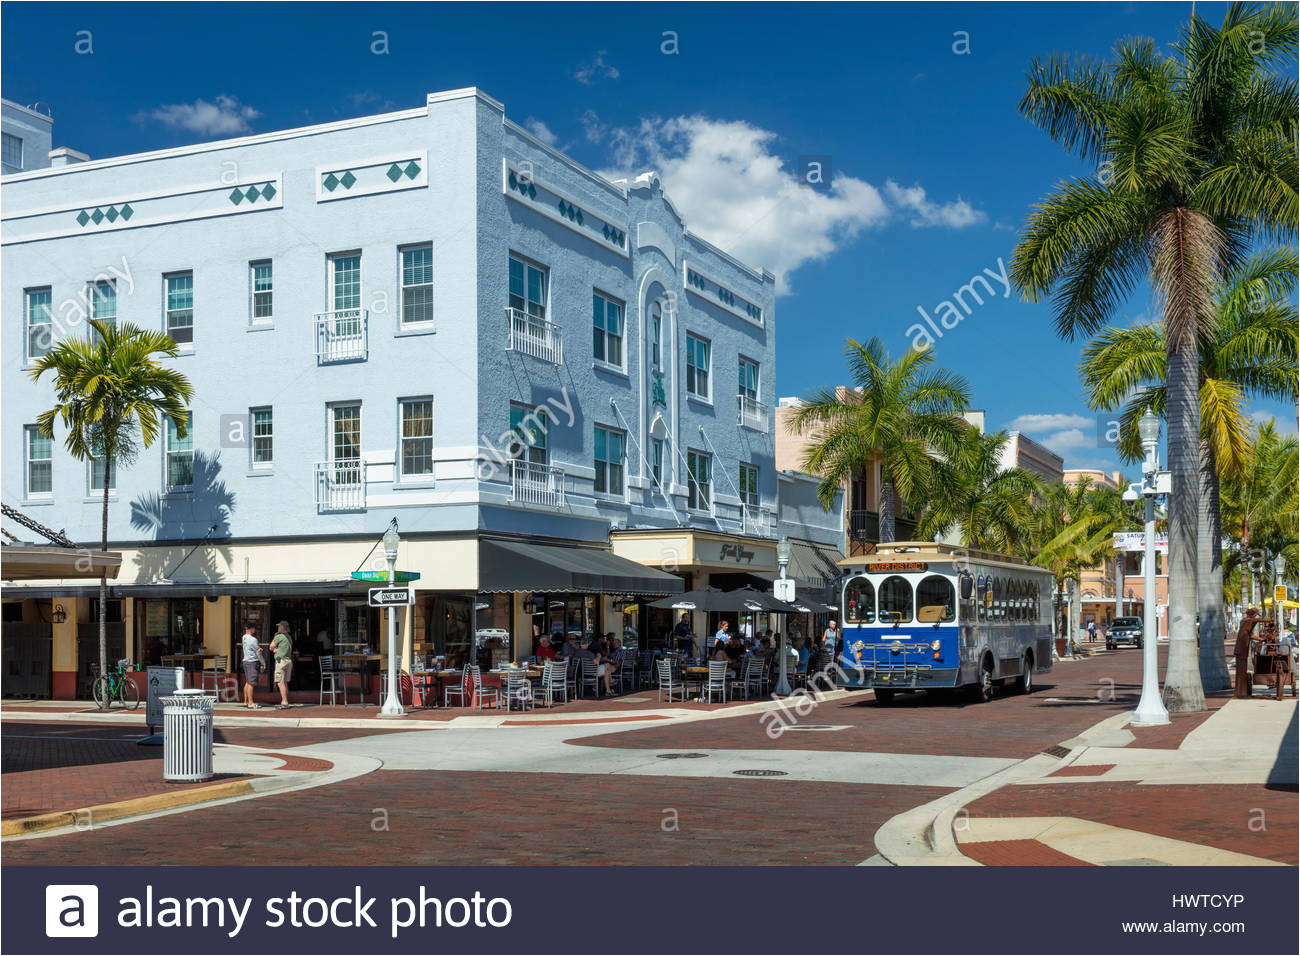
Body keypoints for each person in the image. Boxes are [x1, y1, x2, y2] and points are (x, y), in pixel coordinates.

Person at [1233, 608, 1260, 699]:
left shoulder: (1244, 621)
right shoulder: (1248, 622)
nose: (1256, 616)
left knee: (1241, 672)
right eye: (1256, 614)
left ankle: (1241, 692)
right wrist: (1261, 639)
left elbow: (1250, 634)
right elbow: (1250, 635)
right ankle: (1241, 693)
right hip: (1242, 649)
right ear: (1252, 614)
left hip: (1241, 648)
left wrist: (1261, 639)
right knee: (1241, 672)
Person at [270, 620, 294, 709]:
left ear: (283, 627)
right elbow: (283, 648)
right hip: (288, 661)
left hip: (281, 661)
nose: (278, 628)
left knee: (280, 683)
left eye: (279, 626)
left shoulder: (279, 636)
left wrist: (274, 637)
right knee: (284, 682)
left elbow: (271, 646)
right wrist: (277, 649)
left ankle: (284, 702)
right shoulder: (289, 637)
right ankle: (285, 701)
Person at [240, 623, 262, 710]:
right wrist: (263, 662)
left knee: (248, 682)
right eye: (254, 628)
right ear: (251, 629)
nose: (255, 630)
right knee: (251, 683)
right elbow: (258, 652)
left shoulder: (244, 637)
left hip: (246, 661)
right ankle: (250, 703)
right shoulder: (253, 639)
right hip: (252, 662)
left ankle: (245, 701)